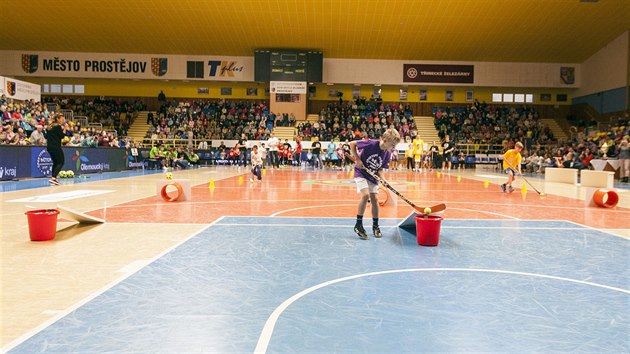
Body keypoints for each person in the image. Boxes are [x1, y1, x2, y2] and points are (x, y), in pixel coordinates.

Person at [350, 128, 402, 240]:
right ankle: (358, 225)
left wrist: (384, 181)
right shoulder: (370, 143)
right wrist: (357, 159)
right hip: (361, 172)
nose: (394, 148)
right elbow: (352, 144)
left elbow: (380, 170)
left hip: (372, 175)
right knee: (365, 195)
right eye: (392, 145)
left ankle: (375, 226)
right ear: (385, 140)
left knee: (375, 199)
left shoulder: (387, 153)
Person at [45, 113, 67, 185]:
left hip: (49, 147)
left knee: (55, 162)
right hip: (56, 146)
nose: (63, 120)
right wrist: (65, 129)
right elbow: (62, 136)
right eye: (61, 119)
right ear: (57, 119)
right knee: (61, 161)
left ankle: (53, 178)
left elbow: (46, 136)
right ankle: (53, 177)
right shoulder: (58, 127)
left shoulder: (49, 127)